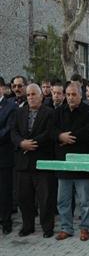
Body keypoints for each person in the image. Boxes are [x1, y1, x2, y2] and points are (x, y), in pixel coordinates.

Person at [11, 84, 55, 238]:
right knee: (24, 197)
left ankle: (47, 227)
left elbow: (49, 133)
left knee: (45, 198)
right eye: (28, 95)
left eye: (34, 94)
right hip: (23, 162)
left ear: (41, 96)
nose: (30, 97)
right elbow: (13, 132)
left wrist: (31, 143)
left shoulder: (49, 113)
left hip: (41, 161)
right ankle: (27, 226)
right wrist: (21, 143)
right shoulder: (19, 112)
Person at [53, 83, 89, 241]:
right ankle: (66, 228)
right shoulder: (58, 112)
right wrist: (59, 136)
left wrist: (68, 138)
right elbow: (51, 129)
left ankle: (85, 228)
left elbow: (88, 131)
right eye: (68, 94)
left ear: (80, 95)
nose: (70, 97)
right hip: (63, 162)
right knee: (63, 200)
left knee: (84, 200)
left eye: (74, 94)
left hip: (81, 162)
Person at [0, 78, 16, 235]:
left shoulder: (10, 106)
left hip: (3, 156)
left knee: (4, 191)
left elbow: (8, 129)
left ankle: (6, 221)